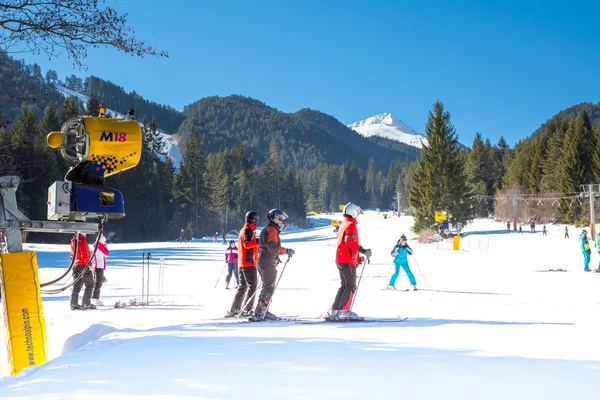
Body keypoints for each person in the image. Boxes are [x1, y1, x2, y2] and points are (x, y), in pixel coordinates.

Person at [329, 202, 372, 321]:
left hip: (341, 258)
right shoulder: (351, 225)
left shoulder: (344, 224)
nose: (357, 215)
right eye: (357, 213)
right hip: (346, 260)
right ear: (353, 213)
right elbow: (349, 242)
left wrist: (358, 258)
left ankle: (336, 311)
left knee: (344, 285)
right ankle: (343, 311)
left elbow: (345, 245)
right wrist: (363, 250)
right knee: (351, 285)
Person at [253, 209, 295, 321]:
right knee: (269, 287)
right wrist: (286, 251)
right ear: (275, 218)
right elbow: (273, 248)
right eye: (280, 218)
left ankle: (261, 310)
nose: (282, 220)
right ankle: (262, 312)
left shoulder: (270, 229)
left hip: (265, 260)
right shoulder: (272, 230)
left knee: (267, 286)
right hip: (267, 261)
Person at [227, 211, 259, 318]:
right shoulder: (247, 230)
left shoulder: (245, 229)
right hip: (248, 262)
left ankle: (234, 309)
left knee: (243, 286)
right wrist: (258, 242)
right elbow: (247, 244)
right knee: (252, 286)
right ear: (254, 220)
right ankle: (247, 309)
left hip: (242, 262)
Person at [70, 233, 95, 310]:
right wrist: (89, 264)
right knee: (90, 285)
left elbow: (72, 255)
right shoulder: (82, 240)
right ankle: (86, 303)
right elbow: (84, 254)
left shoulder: (73, 241)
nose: (86, 233)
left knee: (76, 286)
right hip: (83, 265)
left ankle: (74, 304)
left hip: (76, 265)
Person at [91, 234, 109, 306]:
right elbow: (107, 254)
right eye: (104, 241)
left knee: (98, 282)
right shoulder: (99, 246)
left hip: (97, 266)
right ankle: (95, 298)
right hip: (99, 266)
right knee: (98, 283)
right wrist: (106, 247)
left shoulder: (96, 245)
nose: (105, 243)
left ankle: (94, 298)